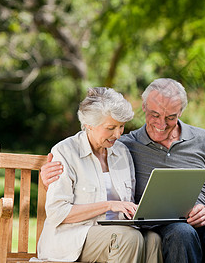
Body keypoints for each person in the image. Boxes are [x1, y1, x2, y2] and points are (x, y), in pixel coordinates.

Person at [41, 79, 205, 263]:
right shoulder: (126, 145)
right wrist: (46, 176)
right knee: (181, 233)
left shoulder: (203, 140)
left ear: (181, 112)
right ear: (144, 108)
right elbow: (83, 159)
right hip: (166, 230)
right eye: (154, 115)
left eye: (171, 117)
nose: (161, 123)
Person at [36, 87, 162, 262]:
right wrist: (108, 205)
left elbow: (127, 203)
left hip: (117, 233)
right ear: (89, 125)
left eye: (121, 127)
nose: (118, 134)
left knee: (153, 240)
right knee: (127, 238)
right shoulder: (65, 151)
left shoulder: (122, 152)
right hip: (73, 238)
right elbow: (58, 212)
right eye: (110, 127)